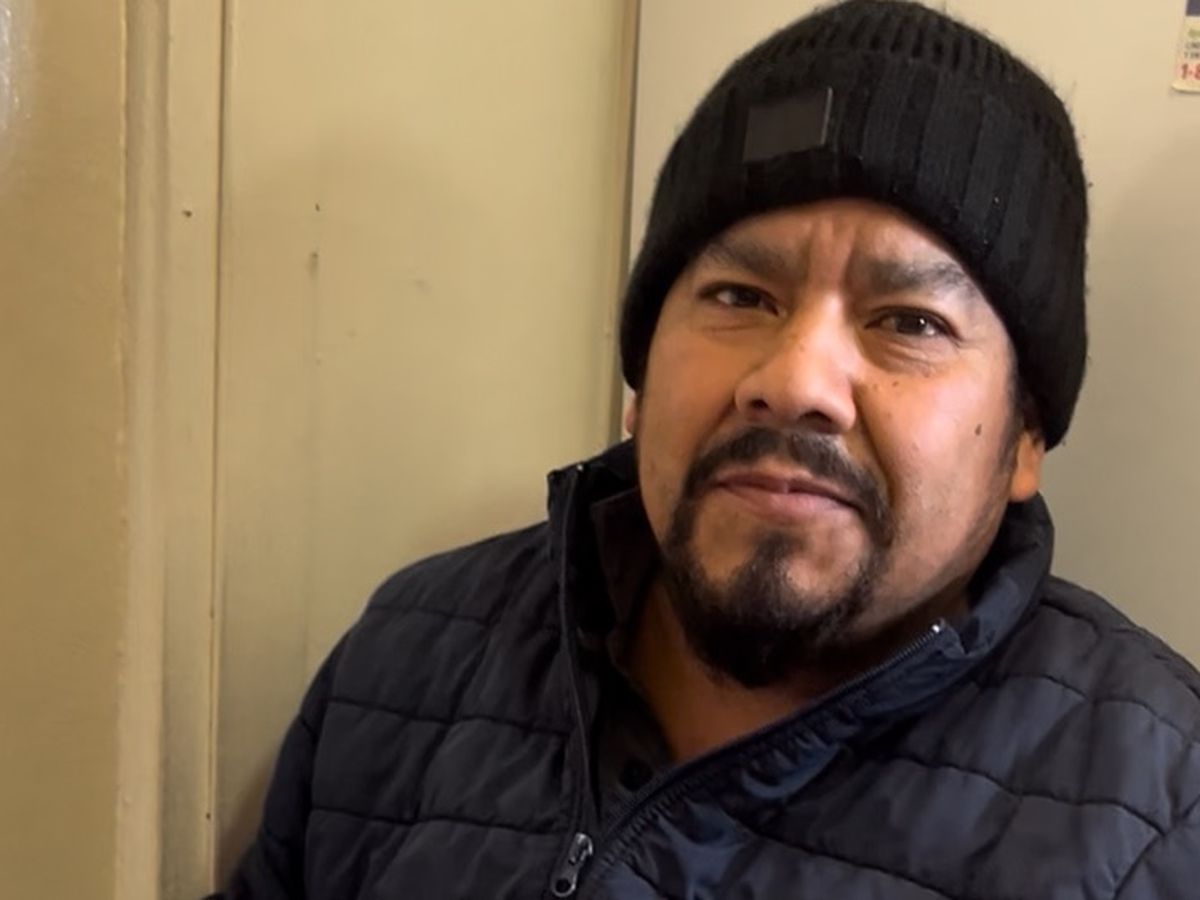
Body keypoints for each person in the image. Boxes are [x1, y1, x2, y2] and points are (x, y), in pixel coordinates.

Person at [219, 1, 1200, 897]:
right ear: (642, 376)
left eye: (909, 321)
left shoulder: (1160, 819)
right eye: (740, 297)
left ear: (1025, 438)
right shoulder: (410, 654)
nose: (796, 380)